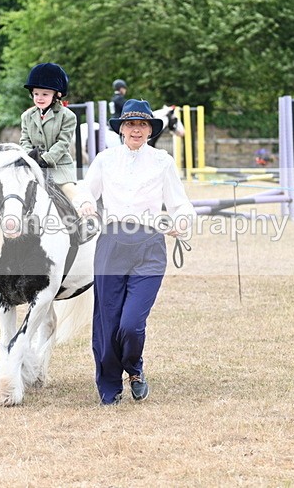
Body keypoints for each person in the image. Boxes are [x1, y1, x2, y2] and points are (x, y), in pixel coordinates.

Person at [78, 99, 196, 405]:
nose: (136, 130)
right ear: (121, 129)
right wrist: (87, 203)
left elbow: (180, 202)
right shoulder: (104, 160)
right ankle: (109, 385)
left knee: (131, 323)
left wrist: (181, 220)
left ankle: (134, 367)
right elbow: (85, 189)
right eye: (131, 124)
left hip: (150, 246)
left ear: (149, 130)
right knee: (108, 320)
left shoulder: (162, 162)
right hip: (112, 244)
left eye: (142, 125)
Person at [20, 62, 80, 205]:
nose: (39, 98)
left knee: (74, 197)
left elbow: (63, 143)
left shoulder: (68, 116)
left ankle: (86, 223)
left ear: (56, 95)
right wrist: (31, 158)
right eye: (36, 94)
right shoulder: (26, 116)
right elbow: (24, 140)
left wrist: (45, 159)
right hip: (33, 167)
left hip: (59, 168)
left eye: (45, 94)